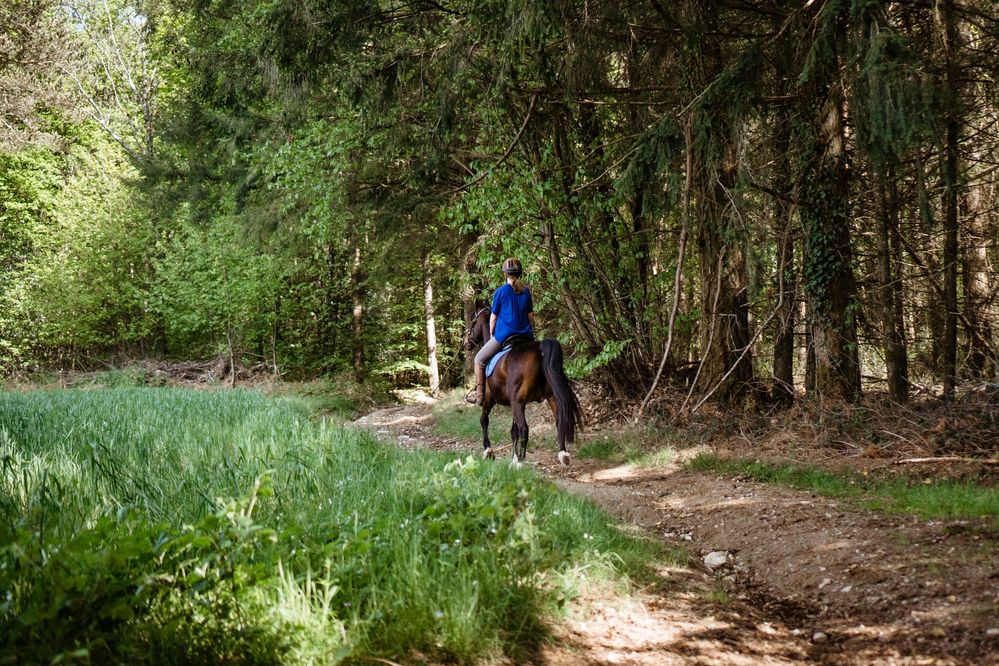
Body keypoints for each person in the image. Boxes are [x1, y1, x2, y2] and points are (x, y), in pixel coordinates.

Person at [466, 257, 536, 405]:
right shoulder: (526, 293)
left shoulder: (500, 292)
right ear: (520, 274)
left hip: (505, 336)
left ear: (505, 274)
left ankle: (480, 396)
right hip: (526, 336)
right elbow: (531, 318)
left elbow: (493, 318)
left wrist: (492, 334)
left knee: (478, 360)